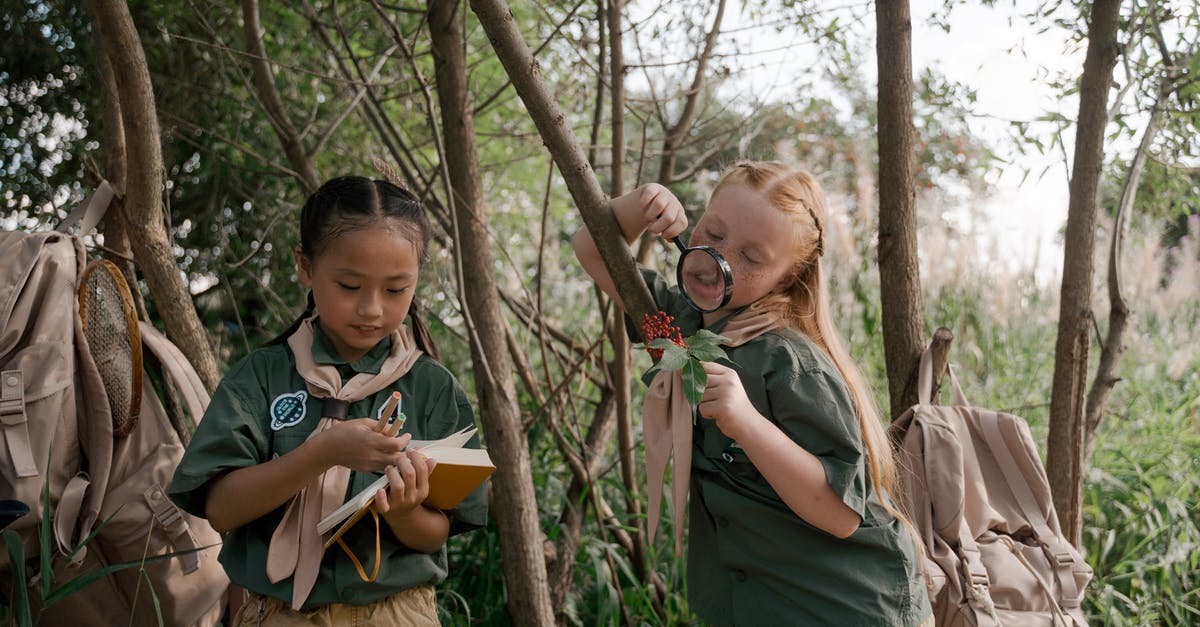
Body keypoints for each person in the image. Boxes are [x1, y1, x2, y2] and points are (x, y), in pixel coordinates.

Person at [572, 161, 932, 626]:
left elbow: (842, 514)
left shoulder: (790, 363)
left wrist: (747, 422)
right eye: (714, 234)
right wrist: (641, 205)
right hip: (760, 603)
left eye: (751, 258)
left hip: (849, 605)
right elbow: (592, 249)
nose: (719, 259)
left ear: (785, 278)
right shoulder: (676, 322)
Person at [170, 176, 487, 626]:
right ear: (305, 266)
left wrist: (405, 510)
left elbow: (435, 534)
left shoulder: (432, 387)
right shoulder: (262, 377)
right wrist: (320, 454)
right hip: (278, 614)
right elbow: (221, 510)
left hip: (395, 614)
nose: (372, 309)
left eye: (396, 289)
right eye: (350, 285)